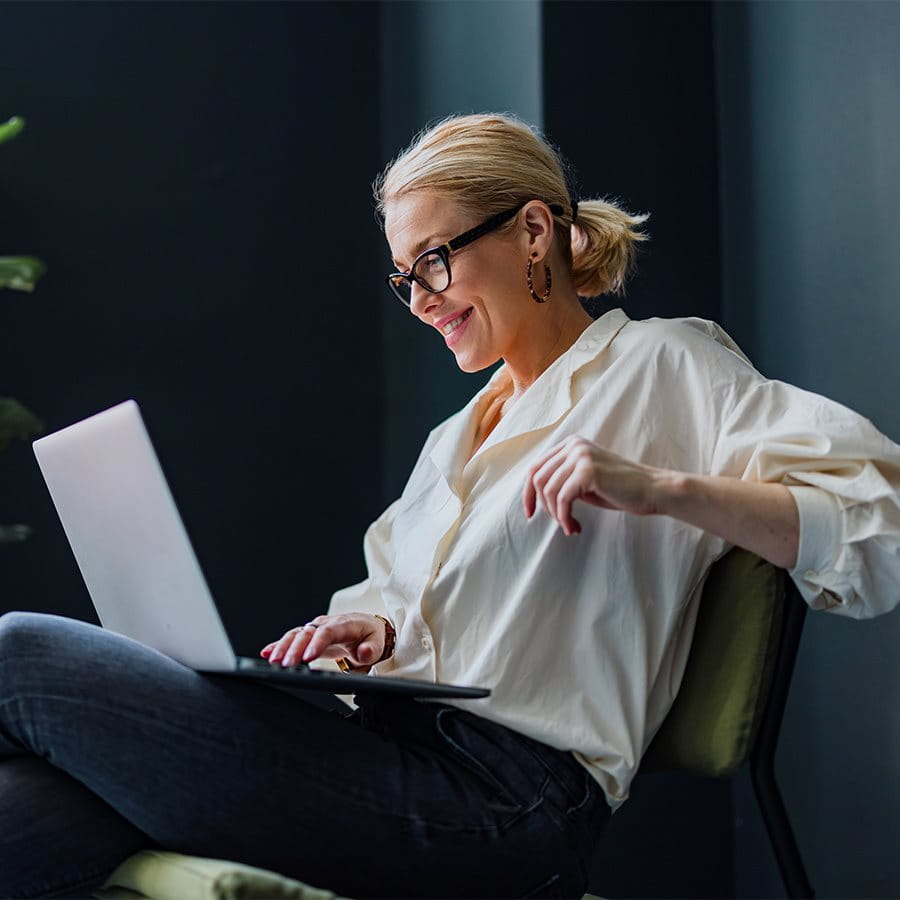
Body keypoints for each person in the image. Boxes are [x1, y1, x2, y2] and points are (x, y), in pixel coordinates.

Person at [2, 111, 899, 900]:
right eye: (405, 278)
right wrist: (368, 636)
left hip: (508, 809)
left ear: (535, 231)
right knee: (37, 809)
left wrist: (660, 488)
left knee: (20, 651)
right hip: (388, 755)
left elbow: (878, 524)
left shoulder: (665, 368)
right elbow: (395, 602)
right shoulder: (454, 439)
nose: (422, 301)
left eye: (434, 261)